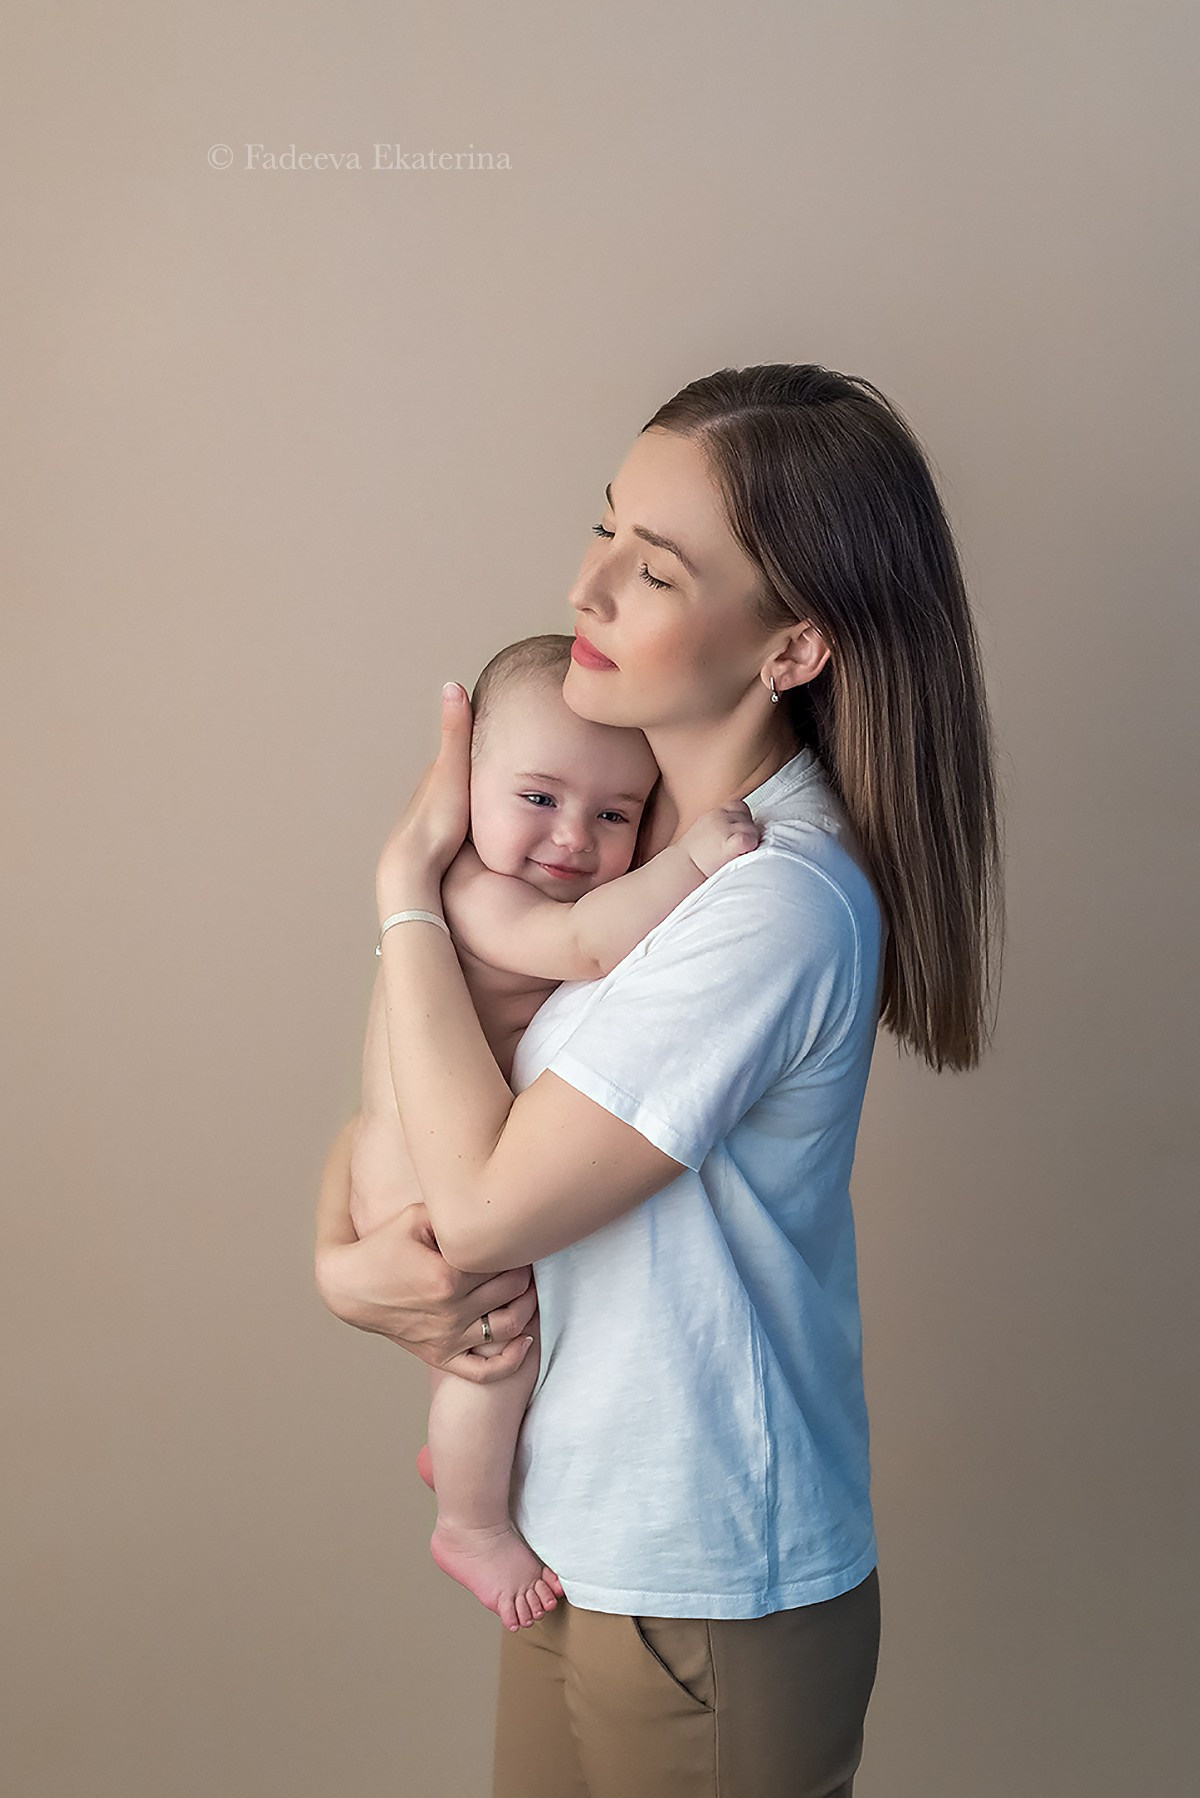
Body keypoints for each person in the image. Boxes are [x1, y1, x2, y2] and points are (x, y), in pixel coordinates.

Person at [315, 363, 1004, 1798]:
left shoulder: (767, 899)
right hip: (575, 1534)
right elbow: (423, 1098)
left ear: (794, 647)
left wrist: (404, 890)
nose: (592, 584)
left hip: (706, 1576)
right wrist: (343, 1262)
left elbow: (490, 1200)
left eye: (657, 567)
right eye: (604, 528)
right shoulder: (610, 837)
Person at [348, 630, 759, 1632]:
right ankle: (470, 1520)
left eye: (614, 813)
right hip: (424, 1187)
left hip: (408, 1156)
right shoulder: (480, 896)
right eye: (538, 798)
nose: (574, 838)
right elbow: (585, 944)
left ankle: (456, 1451)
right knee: (496, 1356)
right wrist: (694, 858)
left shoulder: (503, 876)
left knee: (482, 1364)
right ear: (463, 785)